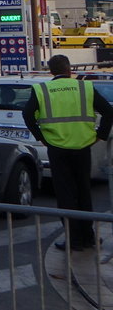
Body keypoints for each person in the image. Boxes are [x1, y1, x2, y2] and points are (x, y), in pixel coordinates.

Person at [23, 54, 113, 251]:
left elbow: (27, 114)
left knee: (65, 195)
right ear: (70, 69)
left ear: (51, 71)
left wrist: (41, 137)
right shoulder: (85, 87)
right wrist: (101, 135)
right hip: (82, 146)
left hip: (57, 148)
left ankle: (74, 240)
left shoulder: (42, 90)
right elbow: (108, 111)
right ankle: (89, 237)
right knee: (83, 192)